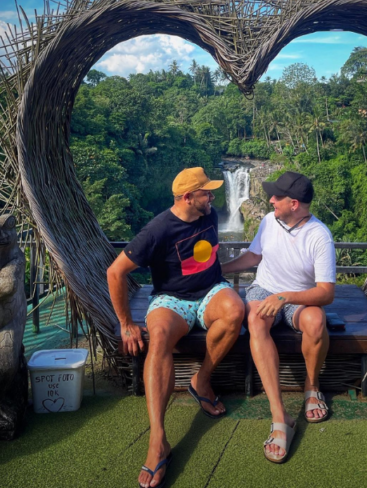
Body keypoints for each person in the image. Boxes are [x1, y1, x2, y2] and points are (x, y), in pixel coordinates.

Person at [107, 167, 245, 488]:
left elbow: (211, 257)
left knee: (236, 309)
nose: (212, 197)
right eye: (206, 193)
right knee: (158, 337)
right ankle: (158, 439)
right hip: (171, 299)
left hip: (210, 290)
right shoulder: (157, 230)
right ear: (187, 198)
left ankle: (201, 381)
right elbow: (115, 272)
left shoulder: (208, 215)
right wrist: (126, 324)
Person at [220, 171, 336, 463]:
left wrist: (286, 297)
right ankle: (279, 415)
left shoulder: (319, 236)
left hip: (298, 297)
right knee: (256, 318)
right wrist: (220, 269)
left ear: (294, 204)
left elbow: (326, 293)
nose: (271, 200)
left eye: (277, 197)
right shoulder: (269, 221)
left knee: (316, 321)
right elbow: (254, 257)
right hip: (264, 289)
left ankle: (312, 387)